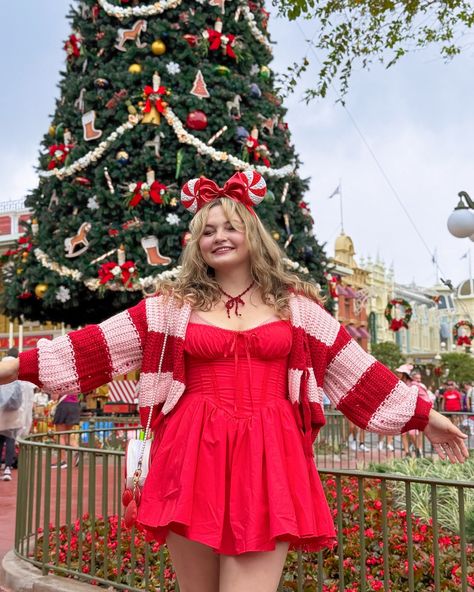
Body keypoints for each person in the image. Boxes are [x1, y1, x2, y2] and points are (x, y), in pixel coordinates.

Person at [0, 171, 468, 592]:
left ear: (252, 233)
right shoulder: (170, 307)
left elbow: (356, 372)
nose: (219, 237)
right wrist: (13, 366)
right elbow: (93, 348)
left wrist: (425, 417)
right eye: (207, 230)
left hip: (271, 455)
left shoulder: (297, 308)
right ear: (195, 243)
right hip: (190, 454)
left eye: (230, 226)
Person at [51, 392, 81, 468]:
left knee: (60, 436)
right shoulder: (74, 383)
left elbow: (54, 397)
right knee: (67, 435)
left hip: (64, 406)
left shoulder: (60, 382)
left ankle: (62, 461)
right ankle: (78, 451)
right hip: (75, 406)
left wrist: (53, 393)